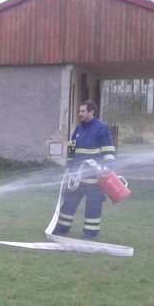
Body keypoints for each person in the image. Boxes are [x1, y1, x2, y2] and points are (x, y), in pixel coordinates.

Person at [51, 100, 117, 239]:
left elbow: (109, 150)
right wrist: (69, 166)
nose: (79, 113)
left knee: (93, 206)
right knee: (69, 203)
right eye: (79, 111)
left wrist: (107, 167)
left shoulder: (102, 128)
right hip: (77, 178)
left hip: (95, 179)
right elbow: (71, 148)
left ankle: (90, 232)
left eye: (83, 111)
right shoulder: (78, 129)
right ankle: (61, 228)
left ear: (91, 112)